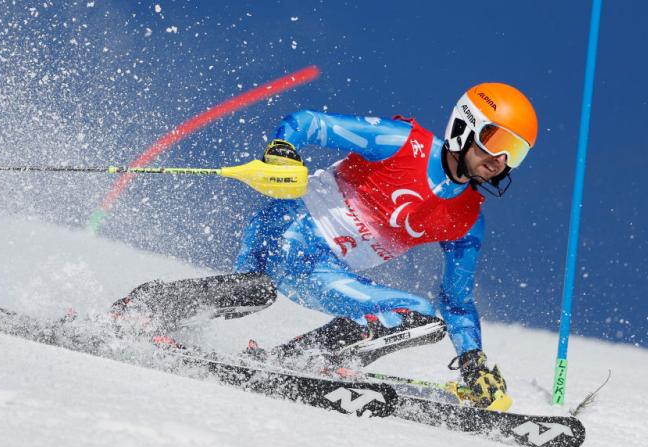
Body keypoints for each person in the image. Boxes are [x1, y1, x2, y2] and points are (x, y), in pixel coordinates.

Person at [114, 82, 537, 411]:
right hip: (288, 229)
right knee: (254, 292)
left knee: (421, 318)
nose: (501, 159)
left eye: (514, 151)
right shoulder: (404, 143)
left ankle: (297, 361)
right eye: (497, 141)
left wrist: (473, 361)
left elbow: (457, 303)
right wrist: (283, 151)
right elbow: (307, 122)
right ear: (466, 125)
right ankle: (144, 308)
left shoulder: (467, 219)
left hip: (321, 270)